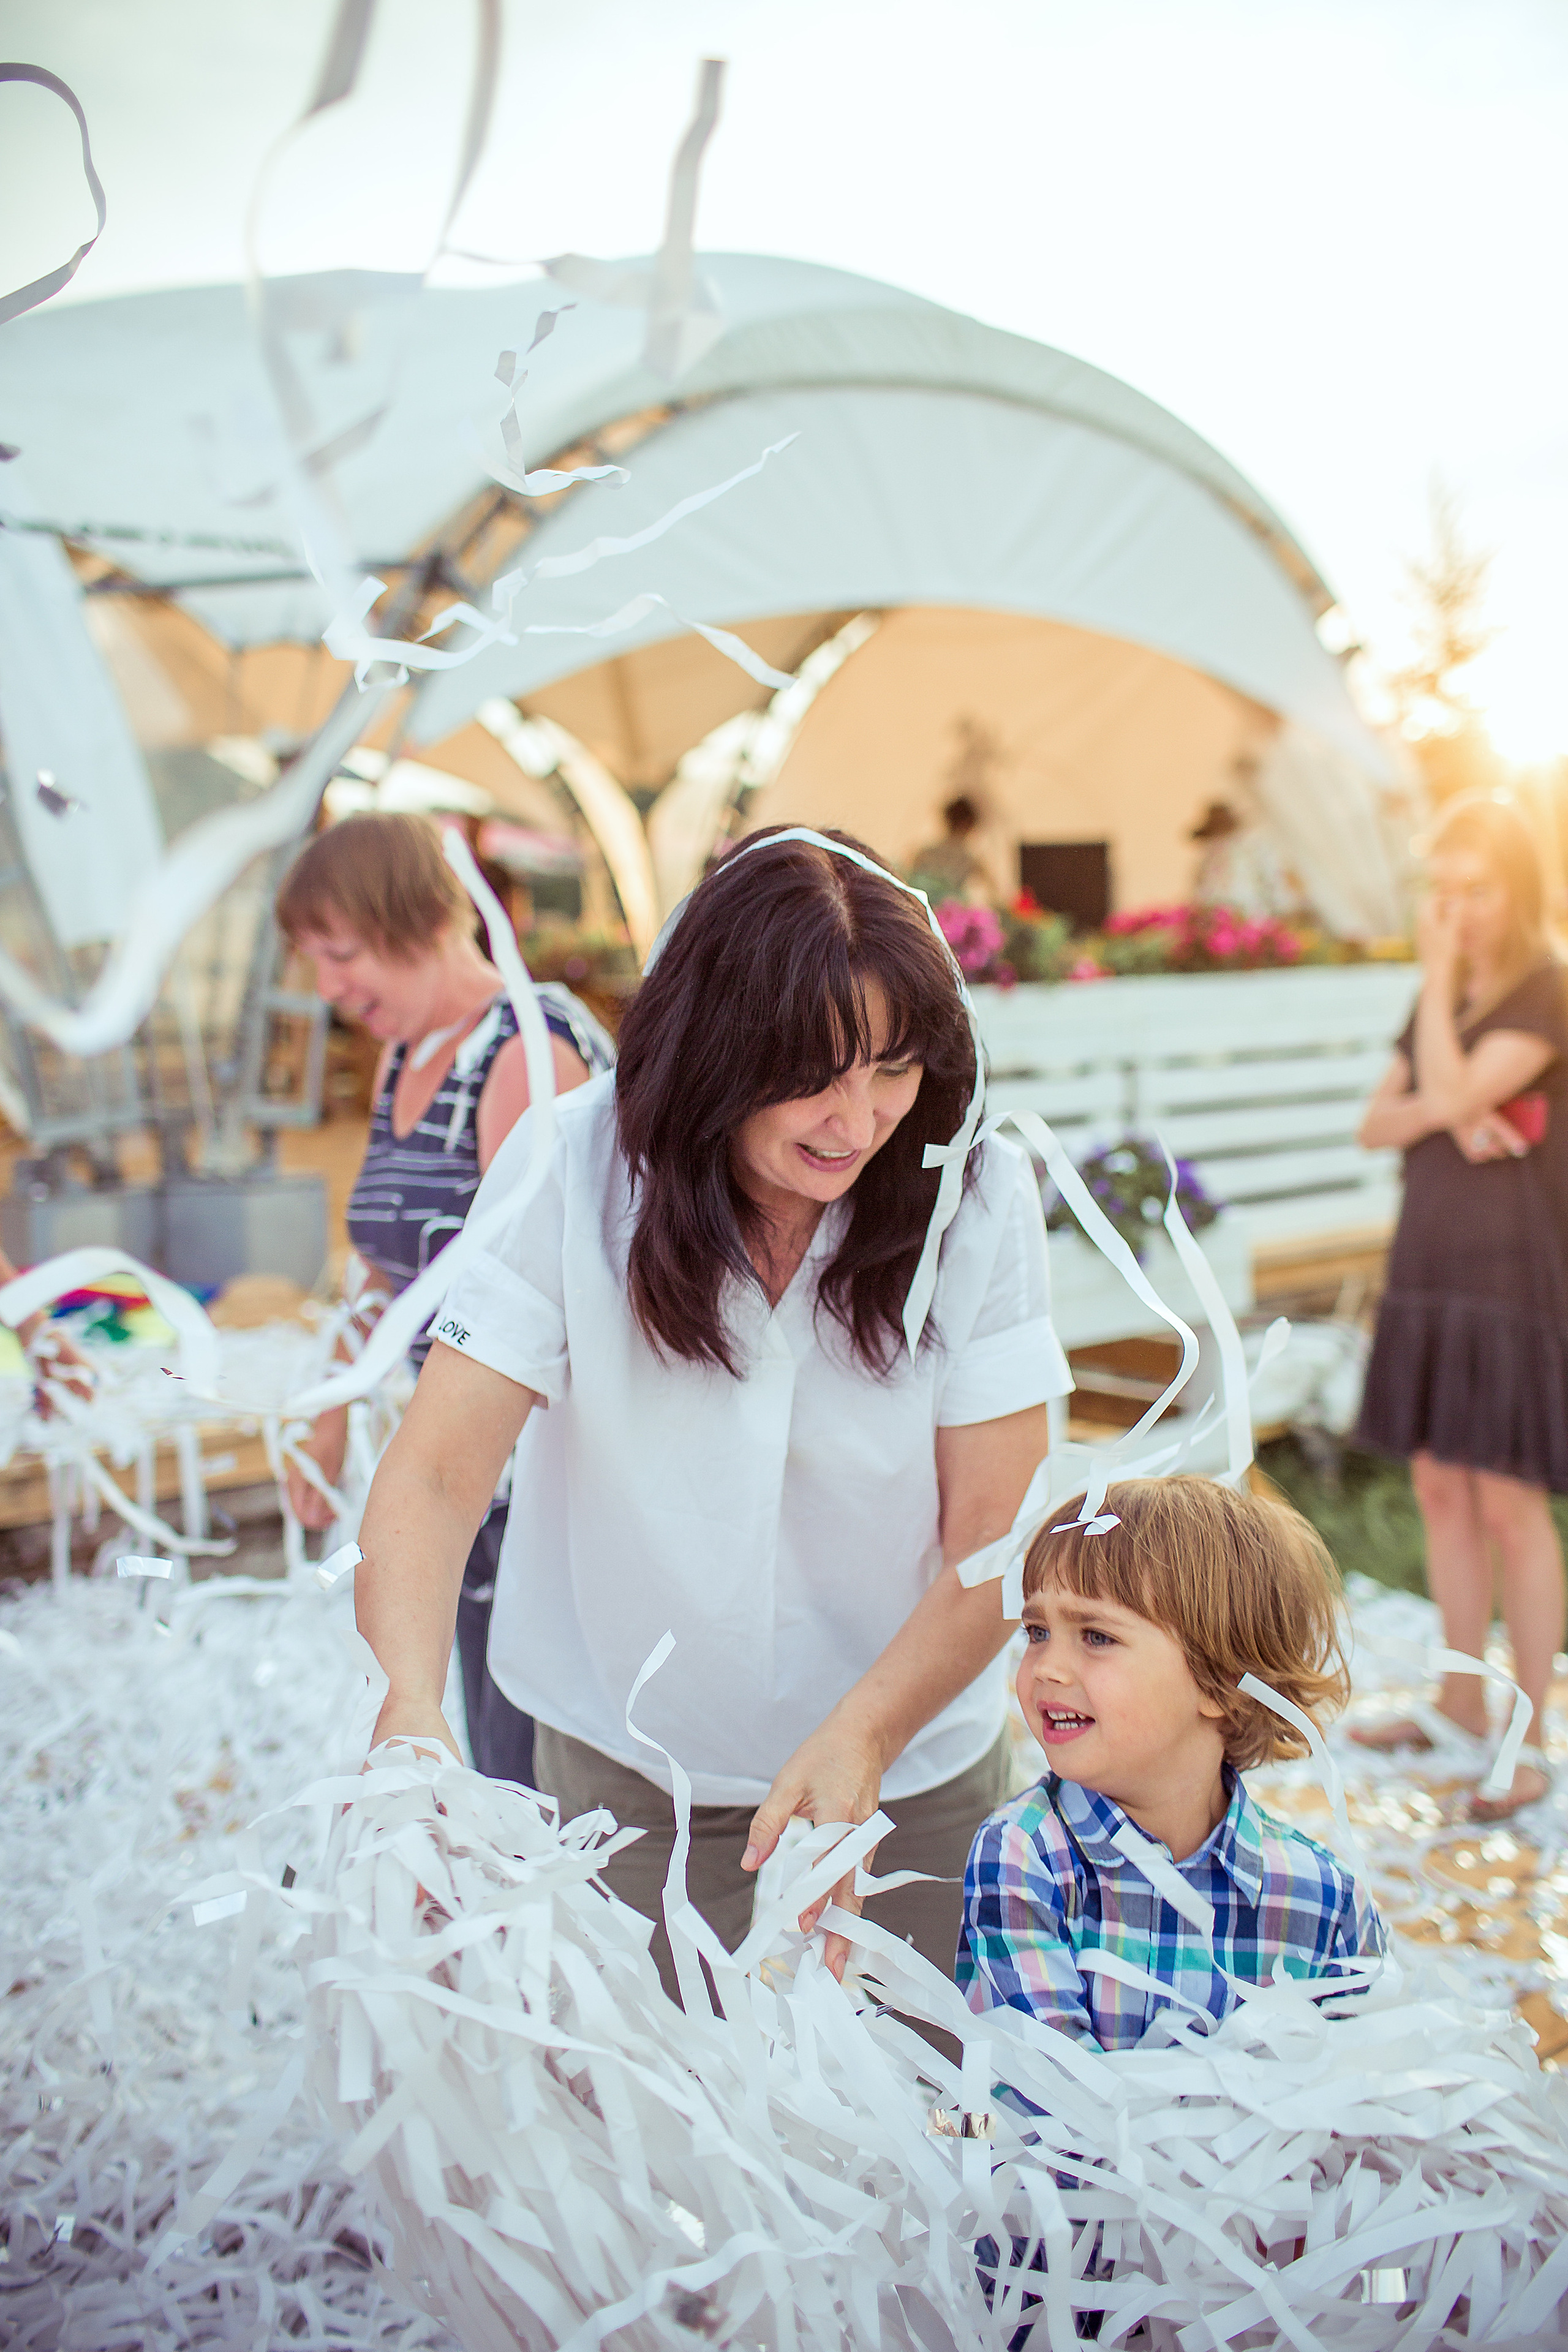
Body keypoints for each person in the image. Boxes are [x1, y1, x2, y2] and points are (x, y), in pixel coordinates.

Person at [352, 827, 1072, 1996]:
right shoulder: (573, 1163)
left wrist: (867, 1735)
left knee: (908, 2121)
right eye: (816, 1072)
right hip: (630, 1777)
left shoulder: (971, 1192)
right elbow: (438, 1473)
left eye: (894, 1067)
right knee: (649, 2127)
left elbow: (999, 1527)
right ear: (717, 1046)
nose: (859, 1117)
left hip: (910, 1776)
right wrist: (411, 1702)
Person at [274, 810, 612, 1783]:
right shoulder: (407, 1056)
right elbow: (380, 1269)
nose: (331, 989)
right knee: (470, 1720)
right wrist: (331, 1405)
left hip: (532, 1474)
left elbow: (552, 1290)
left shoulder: (528, 1049)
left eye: (341, 955)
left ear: (418, 917)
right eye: (314, 962)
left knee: (532, 1752)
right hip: (457, 1464)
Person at [959, 1477, 1383, 2049]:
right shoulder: (1024, 1860)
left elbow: (1356, 2092)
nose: (1046, 1668)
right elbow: (1048, 2102)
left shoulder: (1321, 1897)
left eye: (1096, 1636)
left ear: (1223, 1682)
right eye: (1037, 1631)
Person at [1353, 793, 1568, 1819]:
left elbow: (1433, 1100)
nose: (1458, 909)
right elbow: (1378, 1125)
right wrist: (1452, 1106)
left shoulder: (1544, 987)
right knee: (1441, 1487)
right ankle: (1458, 1699)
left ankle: (1530, 1733)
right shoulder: (1450, 999)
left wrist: (1448, 1096)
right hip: (1433, 1257)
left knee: (1511, 1505)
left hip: (1510, 1275)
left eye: (1477, 889)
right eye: (1443, 889)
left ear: (1516, 888)